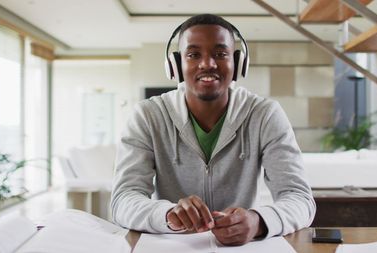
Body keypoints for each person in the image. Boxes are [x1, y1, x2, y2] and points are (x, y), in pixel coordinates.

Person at [111, 13, 316, 246]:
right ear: (176, 65)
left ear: (238, 63)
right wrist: (167, 215)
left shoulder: (265, 114)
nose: (207, 63)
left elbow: (300, 199)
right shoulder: (148, 116)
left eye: (220, 54)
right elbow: (122, 200)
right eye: (193, 54)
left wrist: (259, 221)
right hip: (173, 247)